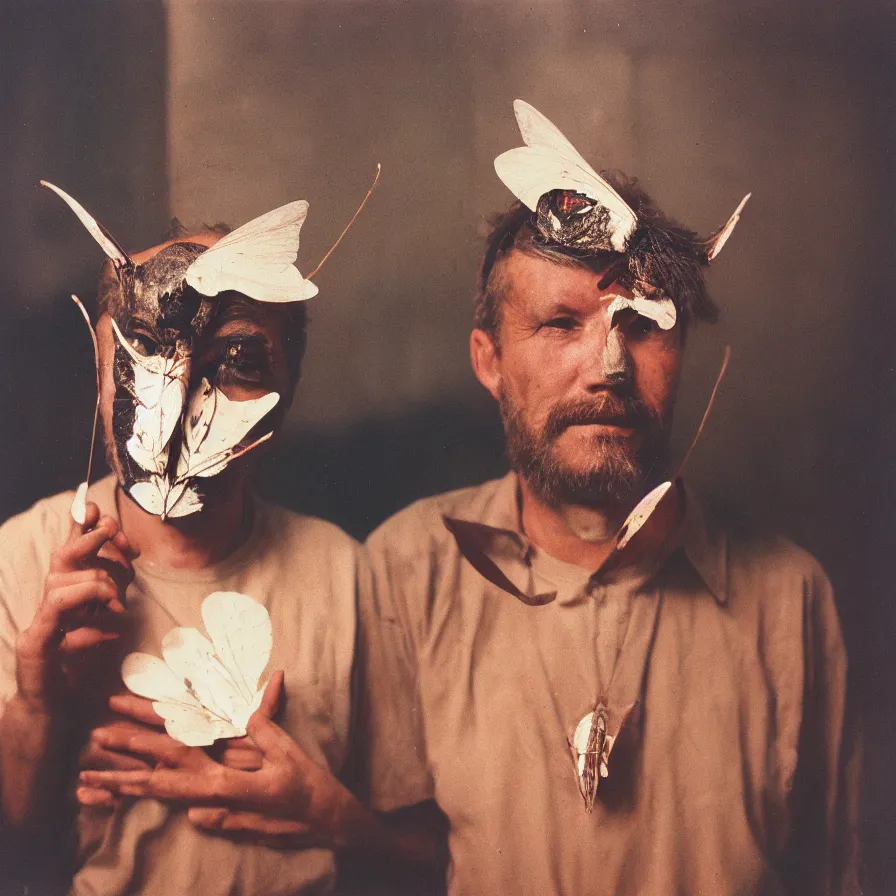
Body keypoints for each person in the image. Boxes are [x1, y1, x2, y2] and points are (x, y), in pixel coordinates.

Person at [81, 103, 860, 895]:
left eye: (648, 323)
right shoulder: (405, 572)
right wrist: (335, 821)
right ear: (488, 360)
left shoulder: (792, 601)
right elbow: (409, 862)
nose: (610, 367)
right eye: (561, 323)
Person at [0, 186, 443, 895]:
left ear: (289, 386)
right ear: (97, 364)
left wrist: (329, 816)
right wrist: (40, 705)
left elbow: (425, 859)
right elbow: (14, 847)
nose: (174, 410)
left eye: (236, 360)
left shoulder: (345, 574)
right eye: (142, 348)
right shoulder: (17, 562)